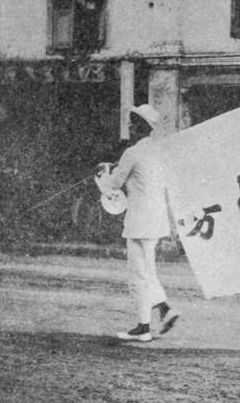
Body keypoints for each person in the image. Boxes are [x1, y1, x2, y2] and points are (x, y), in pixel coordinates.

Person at [96, 104, 179, 342]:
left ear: (141, 127)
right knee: (146, 270)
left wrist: (103, 172)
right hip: (156, 220)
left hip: (139, 221)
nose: (130, 127)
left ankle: (145, 326)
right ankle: (162, 310)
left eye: (133, 123)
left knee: (139, 274)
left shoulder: (132, 153)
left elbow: (114, 185)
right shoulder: (159, 151)